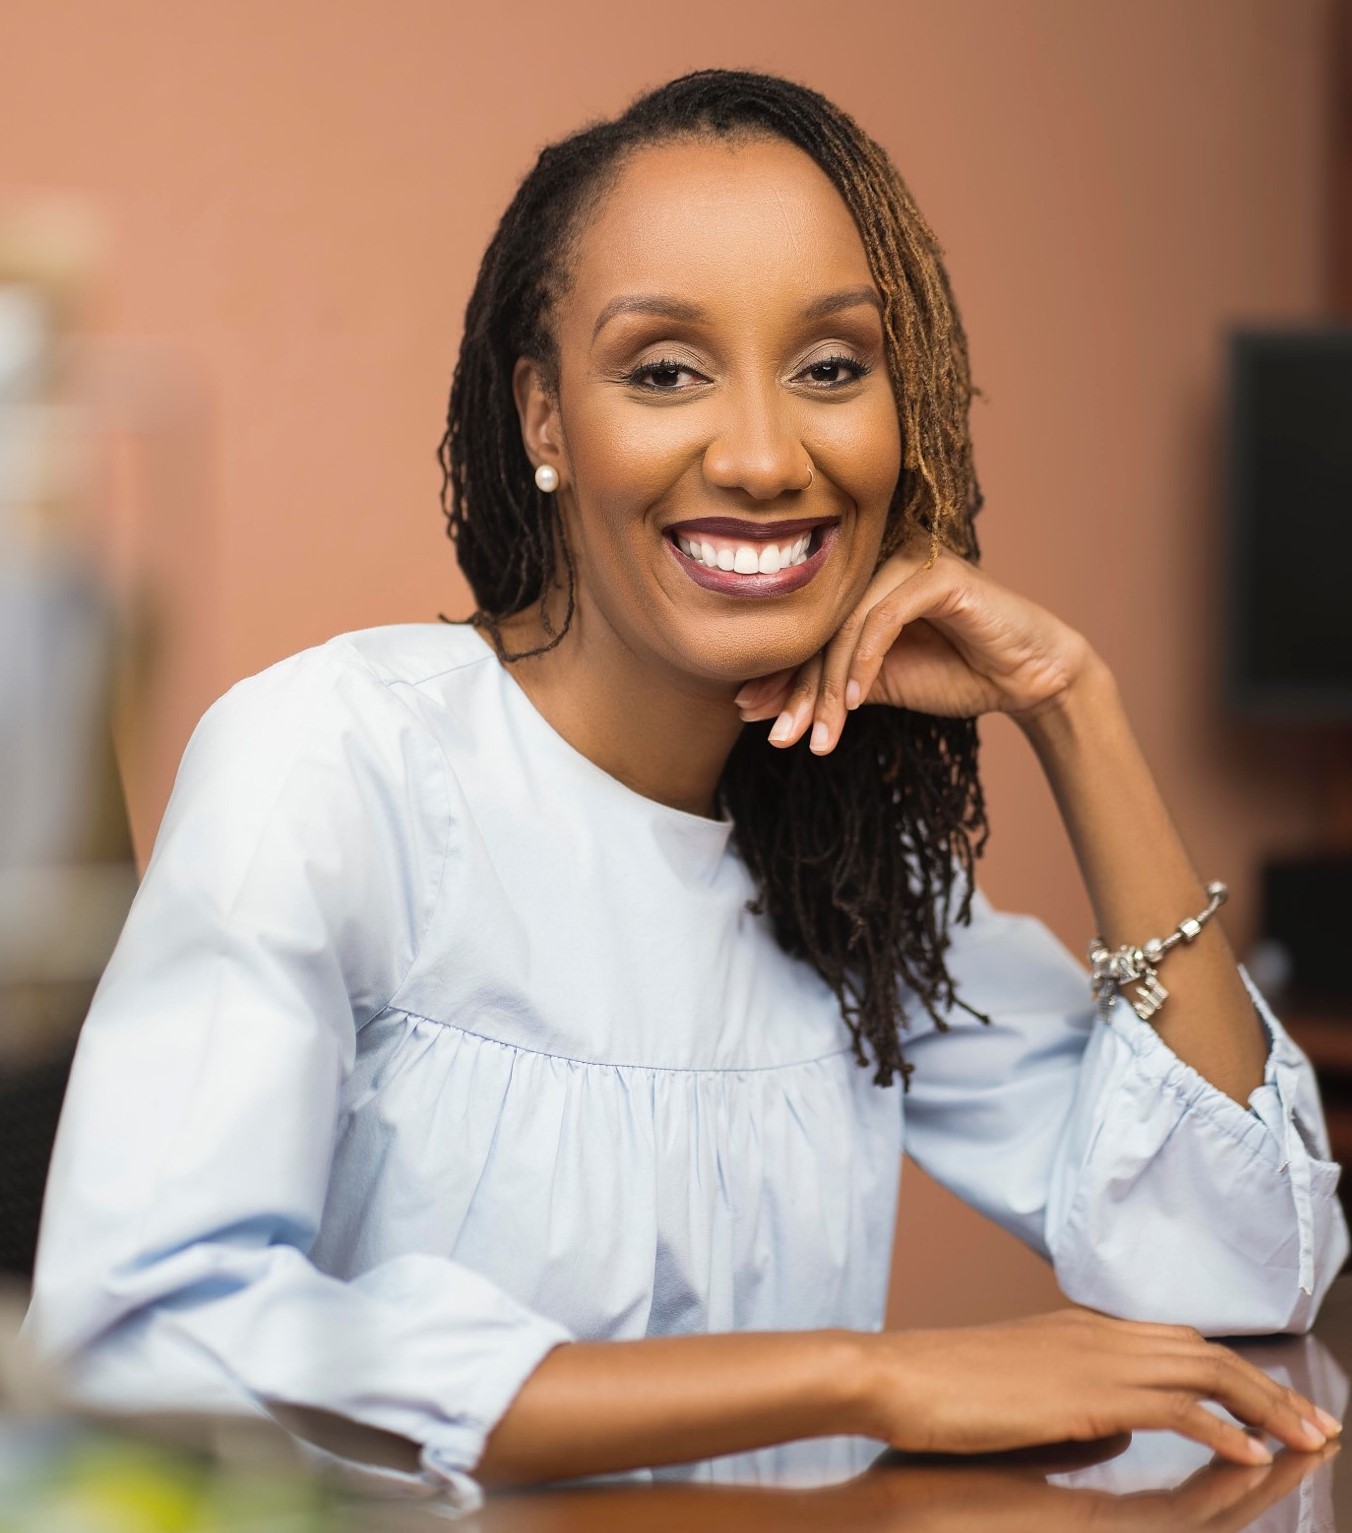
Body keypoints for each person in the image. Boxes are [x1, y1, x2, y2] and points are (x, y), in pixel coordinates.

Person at [22, 68, 1350, 1509]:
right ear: (544, 417)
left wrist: (1074, 709)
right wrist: (861, 1377)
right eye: (663, 371)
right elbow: (146, 1338)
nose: (766, 457)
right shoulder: (335, 761)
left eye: (830, 367)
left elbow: (1242, 1264)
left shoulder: (849, 867)